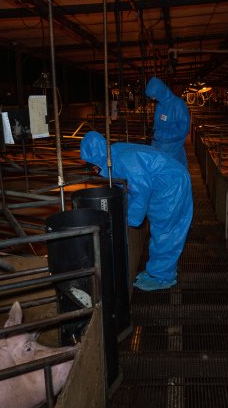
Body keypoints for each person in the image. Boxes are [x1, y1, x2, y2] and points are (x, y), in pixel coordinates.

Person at [80, 131, 193, 291]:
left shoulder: (123, 161)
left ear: (96, 159)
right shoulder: (113, 153)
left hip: (170, 186)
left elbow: (140, 192)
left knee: (165, 231)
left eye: (91, 164)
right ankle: (158, 269)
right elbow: (129, 185)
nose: (92, 169)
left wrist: (129, 218)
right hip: (166, 181)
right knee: (161, 229)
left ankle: (163, 277)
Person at [145, 76, 190, 167]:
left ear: (160, 92)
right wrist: (153, 132)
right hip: (158, 149)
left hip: (173, 152)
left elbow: (183, 129)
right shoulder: (159, 105)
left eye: (153, 95)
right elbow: (158, 124)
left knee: (173, 176)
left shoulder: (177, 104)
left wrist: (160, 135)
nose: (152, 98)